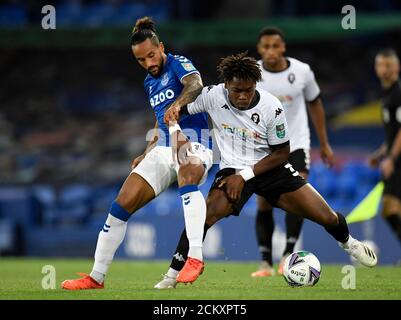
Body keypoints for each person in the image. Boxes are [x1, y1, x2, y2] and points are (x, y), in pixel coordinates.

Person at [154, 52, 377, 289]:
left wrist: (245, 175)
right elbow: (176, 111)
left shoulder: (272, 107)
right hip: (232, 169)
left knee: (327, 217)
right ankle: (171, 276)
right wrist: (175, 112)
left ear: (255, 85)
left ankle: (349, 243)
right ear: (226, 85)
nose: (242, 96)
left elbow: (281, 153)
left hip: (271, 168)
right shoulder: (212, 95)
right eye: (236, 90)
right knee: (202, 217)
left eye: (248, 90)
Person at [61, 17, 213, 290]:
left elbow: (196, 85)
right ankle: (96, 277)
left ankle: (195, 258)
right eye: (142, 60)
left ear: (161, 47)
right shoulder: (149, 82)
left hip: (195, 142)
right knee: (121, 204)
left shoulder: (177, 63)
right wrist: (147, 151)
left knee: (188, 173)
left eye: (152, 56)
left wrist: (178, 105)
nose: (149, 64)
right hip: (164, 147)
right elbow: (158, 119)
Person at [251, 27, 334, 277]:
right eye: (266, 47)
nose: (271, 51)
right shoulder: (252, 73)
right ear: (259, 49)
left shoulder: (302, 72)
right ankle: (265, 263)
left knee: (297, 200)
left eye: (275, 46)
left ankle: (288, 256)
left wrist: (325, 143)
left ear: (283, 47)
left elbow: (315, 104)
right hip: (264, 147)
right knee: (264, 202)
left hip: (296, 142)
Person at [369, 48, 401, 263]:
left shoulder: (399, 93)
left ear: (397, 67)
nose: (385, 70)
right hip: (394, 156)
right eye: (382, 65)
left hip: (399, 160)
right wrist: (381, 152)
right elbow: (393, 131)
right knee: (390, 209)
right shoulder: (386, 94)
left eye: (389, 65)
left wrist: (390, 158)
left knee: (390, 208)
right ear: (376, 68)